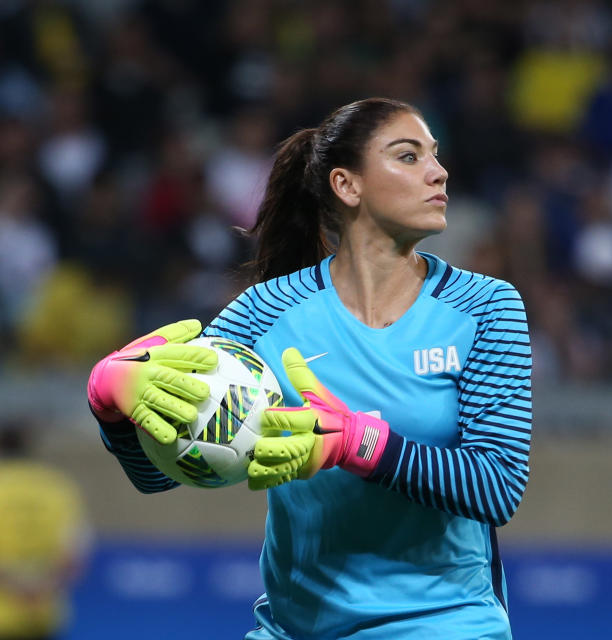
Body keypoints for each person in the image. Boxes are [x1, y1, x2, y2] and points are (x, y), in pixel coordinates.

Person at [86, 98, 533, 639]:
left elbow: (497, 485)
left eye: (435, 156)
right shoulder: (263, 312)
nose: (439, 171)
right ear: (347, 186)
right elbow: (163, 474)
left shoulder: (486, 306)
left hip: (443, 624)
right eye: (409, 157)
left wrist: (359, 444)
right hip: (293, 629)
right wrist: (113, 409)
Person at [0, 423, 90, 640]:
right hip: (44, 614)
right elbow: (75, 555)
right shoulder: (58, 488)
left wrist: (17, 587)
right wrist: (39, 589)